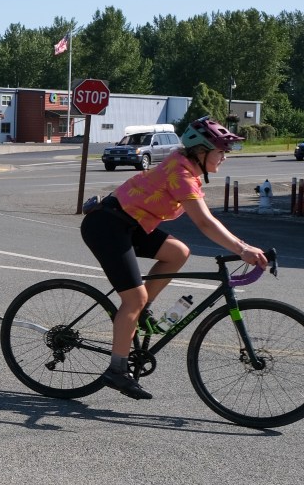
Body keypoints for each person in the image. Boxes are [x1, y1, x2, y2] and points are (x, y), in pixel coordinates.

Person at [80, 116, 268, 400]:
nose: (225, 157)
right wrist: (242, 249)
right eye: (221, 151)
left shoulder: (187, 168)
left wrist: (243, 246)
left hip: (130, 224)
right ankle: (116, 370)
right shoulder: (180, 173)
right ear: (201, 151)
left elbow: (205, 220)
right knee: (134, 298)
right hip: (107, 226)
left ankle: (141, 310)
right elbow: (204, 222)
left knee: (178, 252)